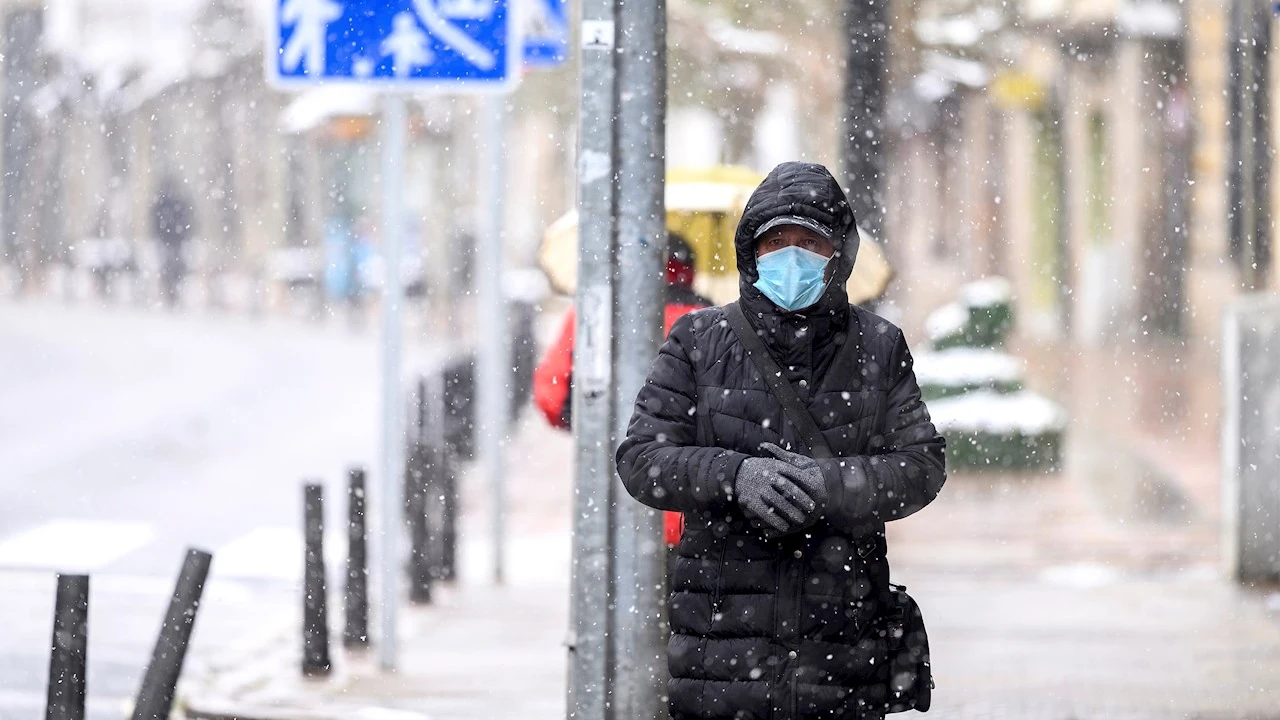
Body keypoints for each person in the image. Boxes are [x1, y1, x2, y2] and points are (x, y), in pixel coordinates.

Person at [615, 161, 946, 720]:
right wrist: (734, 476)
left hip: (842, 642)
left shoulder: (879, 347)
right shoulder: (697, 340)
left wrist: (831, 485)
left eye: (809, 242)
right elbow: (642, 458)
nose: (791, 257)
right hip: (720, 650)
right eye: (776, 242)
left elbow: (921, 465)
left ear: (838, 253)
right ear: (751, 254)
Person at [534, 231, 711, 546]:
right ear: (688, 271)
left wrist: (591, 420)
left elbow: (550, 395)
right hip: (692, 513)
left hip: (611, 505)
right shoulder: (714, 324)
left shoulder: (596, 318)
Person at [151, 176, 195, 308]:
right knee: (171, 267)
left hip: (171, 240)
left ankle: (171, 291)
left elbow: (156, 222)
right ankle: (171, 291)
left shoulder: (164, 203)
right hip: (172, 240)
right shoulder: (172, 203)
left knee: (171, 267)